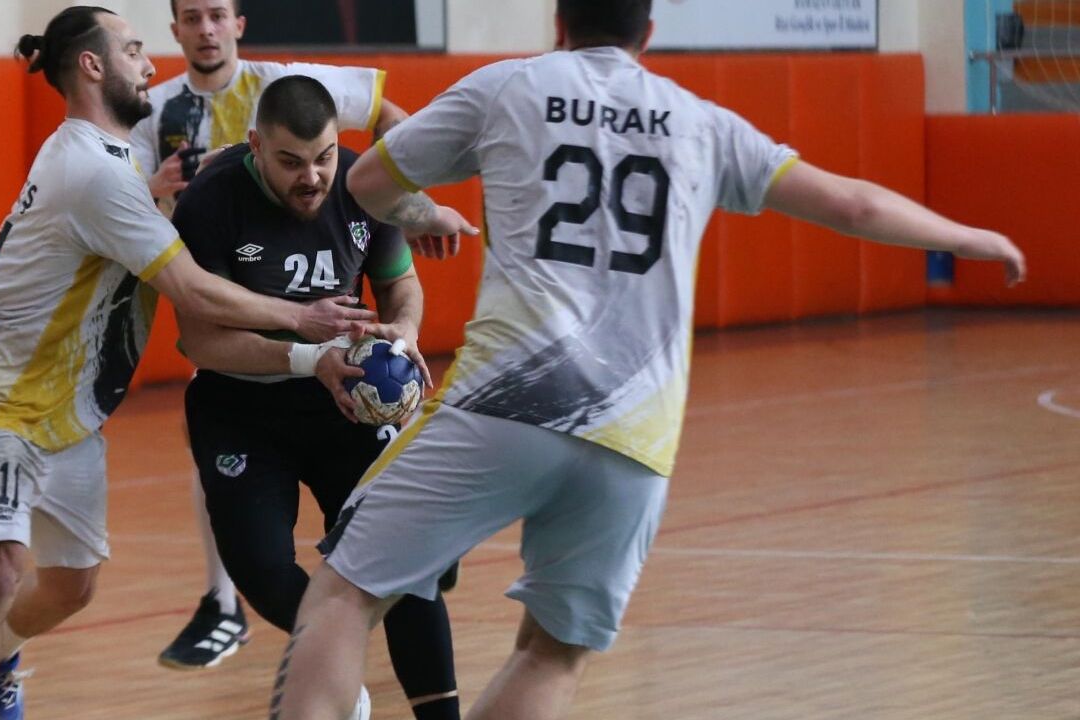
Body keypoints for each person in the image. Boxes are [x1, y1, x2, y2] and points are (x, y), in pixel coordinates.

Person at [265, 0, 1029, 718]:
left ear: (558, 22)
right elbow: (853, 204)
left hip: (505, 405)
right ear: (648, 33)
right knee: (551, 654)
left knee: (343, 595)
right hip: (633, 440)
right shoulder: (700, 121)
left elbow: (366, 184)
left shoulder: (509, 87)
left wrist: (421, 212)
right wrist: (966, 237)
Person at [0, 8, 373, 720]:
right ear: (93, 66)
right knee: (1, 568)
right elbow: (192, 290)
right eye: (133, 49)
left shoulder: (121, 160)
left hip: (67, 410)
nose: (147, 64)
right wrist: (302, 318)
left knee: (72, 586)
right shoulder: (90, 169)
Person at [129, 0, 421, 672]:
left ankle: (393, 572)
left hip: (321, 310)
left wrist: (415, 206)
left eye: (217, 15)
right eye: (192, 17)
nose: (206, 29)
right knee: (221, 440)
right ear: (175, 30)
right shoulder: (155, 110)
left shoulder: (286, 81)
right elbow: (125, 207)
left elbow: (392, 121)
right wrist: (154, 191)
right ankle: (224, 600)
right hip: (215, 290)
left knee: (373, 483)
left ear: (239, 24)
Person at [172, 75, 461, 720]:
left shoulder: (362, 185)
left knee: (404, 565)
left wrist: (404, 331)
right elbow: (202, 341)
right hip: (242, 407)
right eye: (291, 162)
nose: (312, 177)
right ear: (255, 146)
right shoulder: (212, 202)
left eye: (324, 156)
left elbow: (401, 284)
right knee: (260, 567)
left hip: (345, 404)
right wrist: (309, 356)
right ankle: (337, 679)